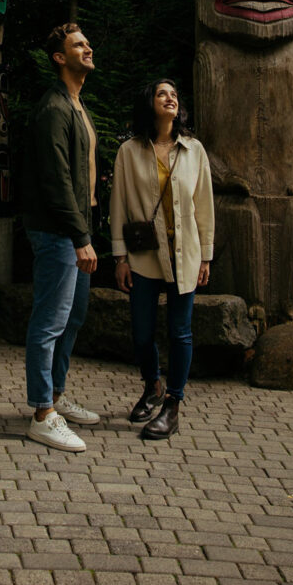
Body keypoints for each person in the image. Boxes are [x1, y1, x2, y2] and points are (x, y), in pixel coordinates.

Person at [110, 80, 214, 440]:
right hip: (144, 256)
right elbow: (119, 203)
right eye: (161, 93)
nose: (170, 97)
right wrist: (119, 256)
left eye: (174, 93)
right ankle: (153, 384)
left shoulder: (194, 150)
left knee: (180, 331)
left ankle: (173, 404)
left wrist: (207, 257)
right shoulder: (129, 151)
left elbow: (204, 206)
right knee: (141, 333)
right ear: (149, 103)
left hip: (186, 254)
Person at [20, 22, 101, 452]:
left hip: (74, 230)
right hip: (58, 232)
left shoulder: (76, 105)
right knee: (49, 321)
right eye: (78, 45)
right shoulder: (53, 108)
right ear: (59, 57)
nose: (88, 48)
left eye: (87, 43)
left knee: (74, 316)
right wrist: (78, 235)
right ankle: (41, 413)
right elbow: (56, 180)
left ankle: (55, 395)